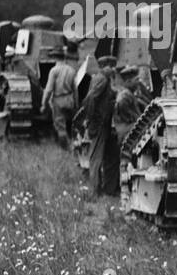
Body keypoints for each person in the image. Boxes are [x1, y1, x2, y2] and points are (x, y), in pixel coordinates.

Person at [84, 55, 120, 196]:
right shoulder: (102, 79)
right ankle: (94, 192)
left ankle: (101, 189)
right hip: (99, 124)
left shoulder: (103, 78)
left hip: (102, 124)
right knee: (96, 159)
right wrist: (94, 118)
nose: (113, 69)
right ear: (105, 66)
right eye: (111, 66)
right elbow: (91, 98)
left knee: (101, 157)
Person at [41, 46, 78, 148]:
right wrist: (76, 104)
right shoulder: (72, 70)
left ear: (54, 58)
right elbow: (75, 90)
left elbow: (48, 89)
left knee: (60, 125)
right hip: (69, 100)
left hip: (59, 100)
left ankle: (66, 149)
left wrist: (44, 104)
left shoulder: (54, 71)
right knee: (69, 123)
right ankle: (73, 140)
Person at [112, 64, 149, 146]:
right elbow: (128, 117)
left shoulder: (129, 94)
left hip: (128, 131)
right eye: (136, 80)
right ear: (128, 82)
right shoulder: (124, 96)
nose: (138, 83)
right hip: (126, 133)